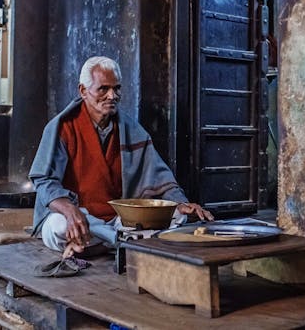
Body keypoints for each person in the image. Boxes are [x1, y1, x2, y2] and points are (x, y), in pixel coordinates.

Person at [29, 56, 213, 257]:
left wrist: (181, 203)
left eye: (116, 88)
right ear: (83, 91)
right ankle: (120, 241)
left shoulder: (130, 129)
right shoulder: (62, 128)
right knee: (59, 226)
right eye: (103, 89)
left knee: (177, 217)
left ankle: (102, 244)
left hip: (118, 219)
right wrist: (71, 211)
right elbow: (44, 181)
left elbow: (161, 180)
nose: (112, 95)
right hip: (79, 217)